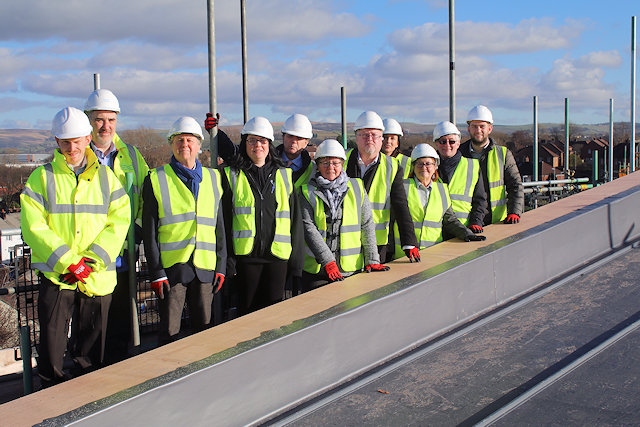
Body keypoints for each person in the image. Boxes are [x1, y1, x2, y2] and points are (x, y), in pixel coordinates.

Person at [20, 107, 131, 386]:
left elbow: (119, 224)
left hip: (95, 277)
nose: (72, 147)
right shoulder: (41, 178)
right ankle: (51, 398)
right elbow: (33, 228)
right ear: (57, 142)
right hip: (58, 277)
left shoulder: (107, 179)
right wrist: (70, 263)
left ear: (87, 138)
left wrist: (89, 262)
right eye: (65, 142)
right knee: (52, 349)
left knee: (92, 353)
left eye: (77, 140)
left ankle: (88, 397)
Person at [142, 117, 227, 345]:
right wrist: (156, 271)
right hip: (173, 268)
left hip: (205, 266)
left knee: (205, 332)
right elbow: (150, 231)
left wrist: (221, 265)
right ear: (171, 144)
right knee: (170, 333)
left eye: (190, 140)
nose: (185, 145)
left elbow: (219, 227)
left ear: (199, 145)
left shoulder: (213, 178)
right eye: (179, 140)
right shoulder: (156, 178)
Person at [84, 88, 150, 363]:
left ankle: (117, 368)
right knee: (89, 316)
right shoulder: (76, 156)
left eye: (111, 120)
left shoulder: (132, 157)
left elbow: (146, 199)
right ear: (89, 120)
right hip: (87, 252)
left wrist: (135, 234)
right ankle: (88, 371)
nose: (105, 126)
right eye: (99, 119)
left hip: (122, 249)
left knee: (120, 312)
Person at [221, 116, 303, 315]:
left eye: (262, 141)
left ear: (269, 145)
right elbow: (224, 221)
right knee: (247, 315)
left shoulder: (284, 175)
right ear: (244, 143)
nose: (257, 145)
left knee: (274, 316)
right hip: (246, 259)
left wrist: (296, 264)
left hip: (277, 259)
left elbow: (295, 222)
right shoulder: (232, 175)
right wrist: (229, 261)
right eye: (252, 140)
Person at [299, 139, 389, 292]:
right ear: (318, 166)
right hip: (317, 270)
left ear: (342, 164)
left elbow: (366, 224)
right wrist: (327, 261)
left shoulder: (356, 187)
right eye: (325, 163)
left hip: (351, 269)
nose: (330, 168)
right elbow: (308, 228)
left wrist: (372, 258)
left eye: (335, 163)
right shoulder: (306, 192)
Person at [344, 111, 420, 264]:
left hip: (378, 241)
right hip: (346, 238)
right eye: (365, 135)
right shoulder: (341, 161)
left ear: (381, 139)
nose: (370, 139)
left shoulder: (392, 166)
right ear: (356, 138)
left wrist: (409, 241)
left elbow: (400, 205)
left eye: (374, 135)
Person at [395, 144, 486, 254]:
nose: (424, 168)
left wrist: (467, 233)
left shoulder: (442, 190)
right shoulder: (402, 187)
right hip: (405, 254)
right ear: (413, 167)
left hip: (434, 252)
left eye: (428, 164)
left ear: (435, 167)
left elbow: (450, 220)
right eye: (420, 164)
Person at [205, 112, 315, 188]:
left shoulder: (314, 170)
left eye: (299, 138)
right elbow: (235, 154)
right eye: (290, 136)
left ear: (307, 142)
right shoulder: (267, 160)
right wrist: (216, 133)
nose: (294, 141)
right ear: (283, 136)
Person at [459, 105, 524, 225]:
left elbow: (515, 185)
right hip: (466, 222)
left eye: (482, 126)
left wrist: (514, 211)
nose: (478, 130)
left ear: (490, 129)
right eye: (474, 126)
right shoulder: (459, 154)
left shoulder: (502, 154)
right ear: (468, 129)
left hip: (495, 220)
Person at [433, 121, 487, 235]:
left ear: (458, 143)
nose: (447, 145)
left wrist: (476, 222)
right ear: (436, 143)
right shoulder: (428, 168)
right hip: (435, 233)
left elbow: (480, 200)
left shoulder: (472, 166)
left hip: (464, 230)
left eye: (452, 141)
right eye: (443, 141)